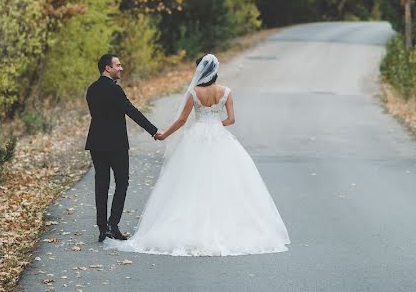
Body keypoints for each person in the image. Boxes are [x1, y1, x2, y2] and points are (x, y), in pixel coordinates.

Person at [106, 54, 290, 256]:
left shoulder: (194, 92)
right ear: (216, 71)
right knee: (226, 181)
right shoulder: (226, 92)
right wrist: (215, 125)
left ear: (200, 71)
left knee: (191, 180)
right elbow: (231, 119)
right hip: (219, 136)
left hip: (197, 137)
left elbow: (182, 120)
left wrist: (164, 134)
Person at [85, 54, 159, 242]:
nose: (121, 68)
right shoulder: (115, 91)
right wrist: (153, 131)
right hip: (116, 144)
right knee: (122, 182)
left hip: (96, 143)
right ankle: (112, 225)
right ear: (107, 68)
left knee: (101, 185)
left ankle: (102, 229)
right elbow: (131, 111)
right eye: (117, 65)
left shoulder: (91, 89)